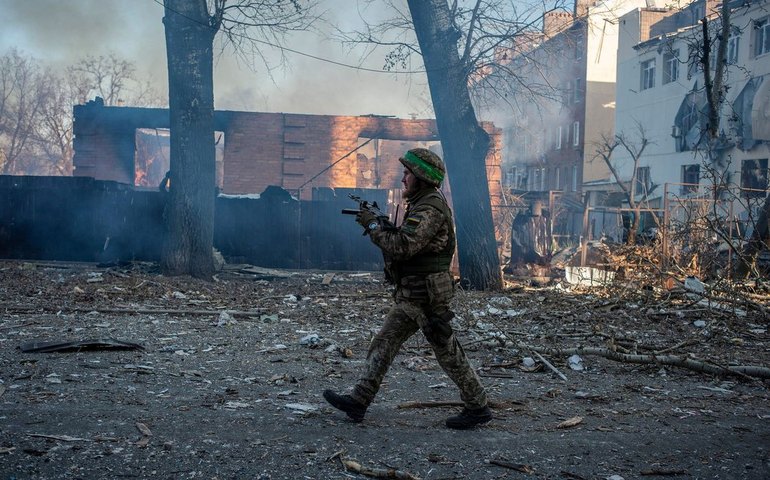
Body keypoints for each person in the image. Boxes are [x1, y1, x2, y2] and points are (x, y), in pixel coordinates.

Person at [323, 148, 492, 429]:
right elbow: (409, 240)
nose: (403, 179)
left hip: (426, 296)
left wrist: (375, 226)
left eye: (407, 173)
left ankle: (478, 406)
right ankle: (359, 401)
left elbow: (403, 247)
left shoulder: (429, 208)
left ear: (421, 177)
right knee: (384, 343)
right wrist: (385, 226)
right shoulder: (422, 203)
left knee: (447, 351)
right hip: (412, 294)